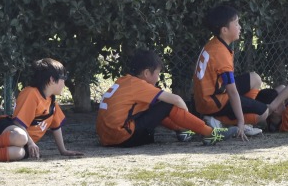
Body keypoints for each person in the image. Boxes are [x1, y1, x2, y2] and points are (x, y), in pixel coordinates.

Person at [0, 58, 84, 162]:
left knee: (18, 154)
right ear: (52, 79)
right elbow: (19, 123)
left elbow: (56, 127)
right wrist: (31, 143)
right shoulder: (32, 93)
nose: (64, 83)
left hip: (23, 142)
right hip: (9, 130)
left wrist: (63, 151)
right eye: (63, 79)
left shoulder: (52, 101)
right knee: (21, 137)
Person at [191, 3, 283, 140]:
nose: (240, 27)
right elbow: (232, 91)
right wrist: (240, 121)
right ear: (224, 30)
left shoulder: (215, 43)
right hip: (212, 102)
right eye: (236, 23)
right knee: (263, 113)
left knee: (255, 78)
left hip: (210, 95)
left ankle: (238, 117)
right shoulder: (221, 53)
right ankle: (222, 122)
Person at [96, 49, 226, 147]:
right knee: (166, 104)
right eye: (157, 73)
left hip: (107, 138)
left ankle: (183, 130)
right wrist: (187, 117)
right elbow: (176, 100)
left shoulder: (123, 81)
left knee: (154, 106)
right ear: (147, 73)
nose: (158, 78)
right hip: (122, 137)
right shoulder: (139, 85)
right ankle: (209, 132)